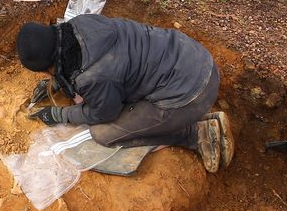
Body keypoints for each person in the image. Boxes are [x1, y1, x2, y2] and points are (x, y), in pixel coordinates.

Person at [16, 15, 234, 172]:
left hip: (191, 95)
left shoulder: (92, 77)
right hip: (193, 56)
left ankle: (196, 133)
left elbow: (102, 114)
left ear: (49, 65)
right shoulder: (80, 23)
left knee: (103, 134)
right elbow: (104, 59)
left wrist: (59, 115)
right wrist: (61, 81)